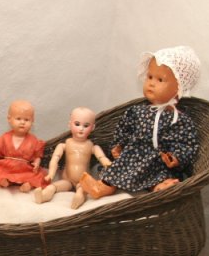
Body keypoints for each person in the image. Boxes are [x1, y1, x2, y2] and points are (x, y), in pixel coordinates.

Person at [80, 45, 201, 199]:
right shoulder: (137, 111)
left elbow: (188, 144)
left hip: (159, 160)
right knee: (117, 169)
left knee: (162, 174)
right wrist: (118, 145)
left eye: (160, 80)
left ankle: (160, 186)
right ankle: (102, 187)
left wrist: (175, 157)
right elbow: (123, 129)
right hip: (132, 157)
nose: (151, 83)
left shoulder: (180, 120)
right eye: (149, 77)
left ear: (179, 87)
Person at [34, 107, 111, 209]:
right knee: (54, 186)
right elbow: (55, 159)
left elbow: (101, 156)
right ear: (69, 124)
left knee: (82, 189)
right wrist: (51, 174)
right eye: (77, 124)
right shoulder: (65, 144)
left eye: (86, 125)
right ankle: (44, 196)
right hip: (68, 180)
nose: (81, 128)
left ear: (92, 127)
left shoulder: (91, 146)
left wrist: (106, 162)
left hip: (83, 180)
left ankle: (79, 198)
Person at [0, 100, 48, 192]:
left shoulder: (33, 140)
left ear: (32, 121)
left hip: (24, 169)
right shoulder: (4, 138)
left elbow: (37, 154)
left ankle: (28, 184)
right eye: (18, 119)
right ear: (9, 119)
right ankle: (4, 181)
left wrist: (37, 162)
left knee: (41, 175)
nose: (22, 122)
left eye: (26, 120)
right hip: (7, 167)